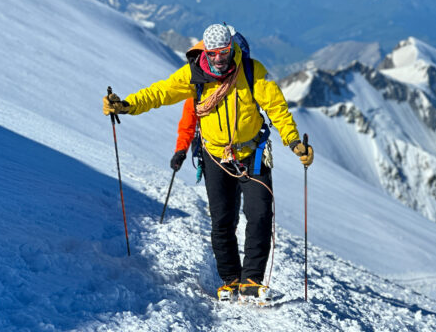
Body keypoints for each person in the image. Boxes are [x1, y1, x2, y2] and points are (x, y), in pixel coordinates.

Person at [103, 24, 314, 303]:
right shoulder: (194, 75)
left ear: (231, 47)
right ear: (206, 50)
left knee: (260, 215)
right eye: (213, 53)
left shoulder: (251, 70)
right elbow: (160, 92)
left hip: (253, 153)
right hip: (215, 156)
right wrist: (127, 105)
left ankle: (251, 280)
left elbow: (277, 108)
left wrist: (294, 142)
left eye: (224, 52)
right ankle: (230, 280)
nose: (218, 59)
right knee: (222, 221)